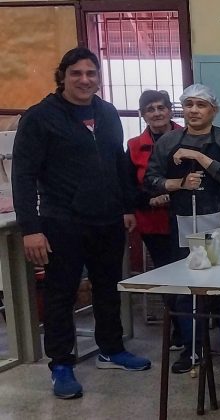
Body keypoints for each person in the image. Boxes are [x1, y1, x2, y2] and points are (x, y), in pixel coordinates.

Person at [12, 47, 151, 399]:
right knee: (62, 294)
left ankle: (111, 350)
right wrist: (31, 228)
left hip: (107, 220)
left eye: (91, 73)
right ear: (63, 76)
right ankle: (61, 365)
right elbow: (23, 176)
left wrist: (127, 206)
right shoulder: (40, 117)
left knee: (108, 288)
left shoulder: (106, 113)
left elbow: (118, 162)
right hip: (63, 221)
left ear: (98, 79)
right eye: (76, 73)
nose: (84, 80)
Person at [145, 83, 220, 374]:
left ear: (213, 110)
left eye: (201, 105)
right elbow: (150, 181)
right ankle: (193, 347)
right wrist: (178, 184)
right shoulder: (167, 142)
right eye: (189, 104)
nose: (194, 110)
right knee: (185, 286)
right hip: (182, 224)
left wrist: (199, 157)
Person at [126, 90, 182, 350]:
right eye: (150, 109)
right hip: (153, 222)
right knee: (167, 277)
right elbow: (128, 186)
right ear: (142, 114)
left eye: (162, 107)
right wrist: (151, 199)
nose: (157, 113)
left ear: (171, 110)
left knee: (190, 276)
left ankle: (195, 331)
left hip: (187, 219)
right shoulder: (134, 146)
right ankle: (180, 330)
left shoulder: (189, 136)